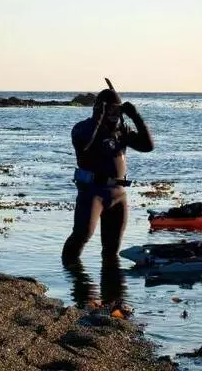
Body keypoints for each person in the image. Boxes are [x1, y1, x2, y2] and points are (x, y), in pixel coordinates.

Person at [61, 85, 154, 263]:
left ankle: (111, 287)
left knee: (112, 249)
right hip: (93, 192)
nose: (114, 113)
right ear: (99, 108)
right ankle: (70, 274)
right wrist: (98, 117)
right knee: (82, 235)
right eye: (109, 108)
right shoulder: (83, 129)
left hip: (118, 194)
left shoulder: (120, 132)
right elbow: (85, 145)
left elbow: (148, 146)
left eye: (117, 109)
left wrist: (136, 117)